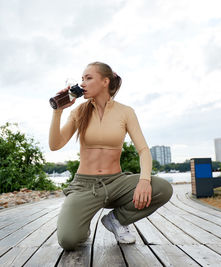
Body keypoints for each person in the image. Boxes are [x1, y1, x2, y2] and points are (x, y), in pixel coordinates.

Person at [49, 62, 173, 251]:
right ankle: (82, 227)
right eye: (82, 79)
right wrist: (57, 111)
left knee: (162, 188)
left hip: (116, 182)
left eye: (88, 78)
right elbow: (55, 145)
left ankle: (116, 220)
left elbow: (143, 150)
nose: (83, 83)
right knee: (68, 240)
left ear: (105, 81)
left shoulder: (125, 112)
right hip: (85, 186)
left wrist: (144, 180)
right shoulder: (79, 112)